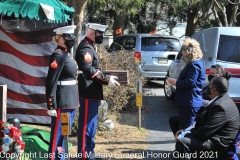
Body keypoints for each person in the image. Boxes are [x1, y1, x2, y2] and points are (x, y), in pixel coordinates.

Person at [75, 23, 120, 160]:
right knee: (86, 128)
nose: (101, 36)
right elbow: (88, 70)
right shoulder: (85, 48)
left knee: (92, 128)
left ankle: (90, 153)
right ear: (92, 33)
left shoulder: (90, 46)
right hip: (87, 93)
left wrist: (106, 77)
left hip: (92, 93)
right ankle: (84, 155)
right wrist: (106, 80)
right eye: (99, 34)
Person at [174, 76, 240, 160]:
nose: (207, 88)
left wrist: (185, 135)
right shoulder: (223, 98)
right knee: (176, 123)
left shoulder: (220, 106)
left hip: (218, 146)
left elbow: (205, 132)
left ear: (214, 90)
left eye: (209, 87)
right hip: (214, 137)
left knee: (183, 142)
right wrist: (185, 131)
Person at [45, 25, 79, 160]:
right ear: (61, 39)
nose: (72, 40)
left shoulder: (66, 54)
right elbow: (51, 81)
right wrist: (51, 105)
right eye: (69, 37)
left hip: (70, 101)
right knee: (57, 137)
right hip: (62, 101)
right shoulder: (58, 55)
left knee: (64, 136)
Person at [169, 64, 232, 136]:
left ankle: (184, 141)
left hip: (203, 116)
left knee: (184, 124)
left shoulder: (218, 89)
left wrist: (197, 101)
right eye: (209, 73)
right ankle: (179, 141)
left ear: (219, 75)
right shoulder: (206, 85)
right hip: (196, 111)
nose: (210, 75)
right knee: (173, 120)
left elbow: (214, 103)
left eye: (212, 73)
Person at [167, 38, 205, 135]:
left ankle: (184, 148)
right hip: (189, 102)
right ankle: (180, 144)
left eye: (183, 51)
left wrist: (175, 82)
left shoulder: (194, 65)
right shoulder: (195, 64)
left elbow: (189, 83)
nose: (182, 53)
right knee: (176, 122)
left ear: (189, 52)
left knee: (186, 129)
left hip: (190, 102)